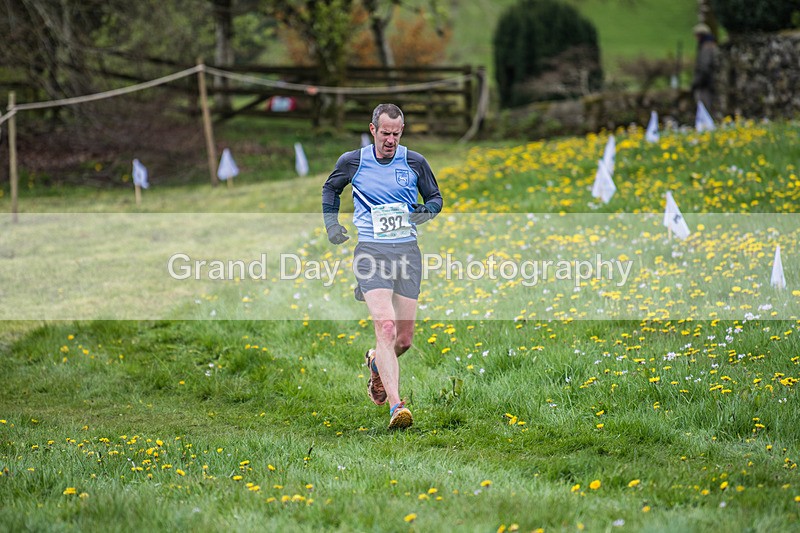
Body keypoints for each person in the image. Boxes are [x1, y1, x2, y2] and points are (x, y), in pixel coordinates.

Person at [322, 103, 443, 429]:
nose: (391, 139)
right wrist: (332, 226)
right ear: (373, 129)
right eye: (385, 133)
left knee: (403, 339)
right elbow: (331, 188)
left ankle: (376, 363)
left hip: (407, 253)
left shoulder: (415, 161)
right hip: (371, 252)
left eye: (397, 133)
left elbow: (436, 198)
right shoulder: (353, 161)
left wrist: (425, 211)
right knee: (385, 328)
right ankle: (396, 406)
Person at [691, 23, 719, 113]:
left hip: (705, 84)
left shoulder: (706, 48)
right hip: (711, 82)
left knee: (703, 109)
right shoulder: (713, 45)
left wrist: (696, 83)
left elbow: (704, 67)